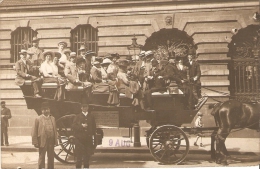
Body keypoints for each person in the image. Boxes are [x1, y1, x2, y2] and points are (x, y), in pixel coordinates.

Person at [31, 102, 58, 169]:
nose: (46, 111)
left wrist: (55, 141)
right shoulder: (38, 119)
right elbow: (34, 131)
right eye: (44, 109)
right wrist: (35, 142)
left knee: (51, 157)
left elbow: (55, 130)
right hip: (42, 141)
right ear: (41, 110)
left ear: (49, 109)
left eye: (47, 109)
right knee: (42, 156)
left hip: (51, 141)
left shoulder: (53, 118)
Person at [72, 103, 97, 169]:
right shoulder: (78, 116)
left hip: (88, 140)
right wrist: (81, 126)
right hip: (80, 140)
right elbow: (73, 126)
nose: (84, 108)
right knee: (79, 158)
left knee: (87, 158)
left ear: (88, 107)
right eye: (83, 107)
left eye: (86, 107)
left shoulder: (91, 116)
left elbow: (94, 127)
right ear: (81, 108)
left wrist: (93, 137)